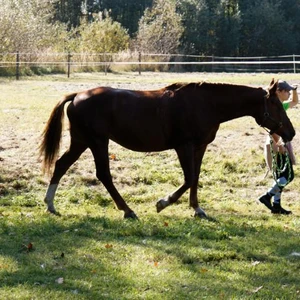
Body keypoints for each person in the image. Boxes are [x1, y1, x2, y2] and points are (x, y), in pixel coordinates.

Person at [259, 80, 298, 215]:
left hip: (280, 142)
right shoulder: (274, 109)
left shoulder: (281, 106)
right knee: (288, 176)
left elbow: (295, 102)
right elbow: (273, 127)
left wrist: (294, 90)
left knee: (281, 176)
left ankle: (276, 206)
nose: (288, 93)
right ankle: (267, 196)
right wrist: (279, 144)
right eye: (286, 91)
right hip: (277, 143)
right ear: (278, 92)